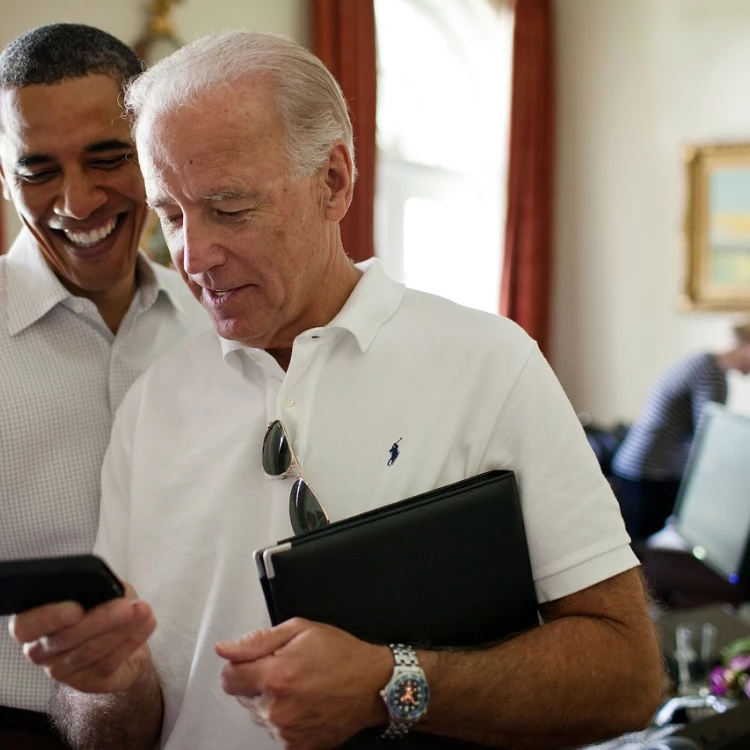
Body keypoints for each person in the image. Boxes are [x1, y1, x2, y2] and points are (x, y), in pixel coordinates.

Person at [9, 31, 662, 750]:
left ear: (335, 181)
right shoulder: (150, 409)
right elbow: (114, 731)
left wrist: (393, 684)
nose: (193, 257)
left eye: (228, 208)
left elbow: (628, 679)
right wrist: (109, 682)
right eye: (170, 215)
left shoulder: (488, 363)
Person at [0, 23, 207, 748]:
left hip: (196, 721)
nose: (77, 202)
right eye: (38, 170)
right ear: (3, 177)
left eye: (107, 158)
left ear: (152, 153)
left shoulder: (216, 330)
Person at [611, 323, 750, 542]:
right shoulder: (711, 374)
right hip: (651, 472)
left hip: (637, 466)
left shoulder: (702, 362)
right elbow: (710, 438)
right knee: (646, 553)